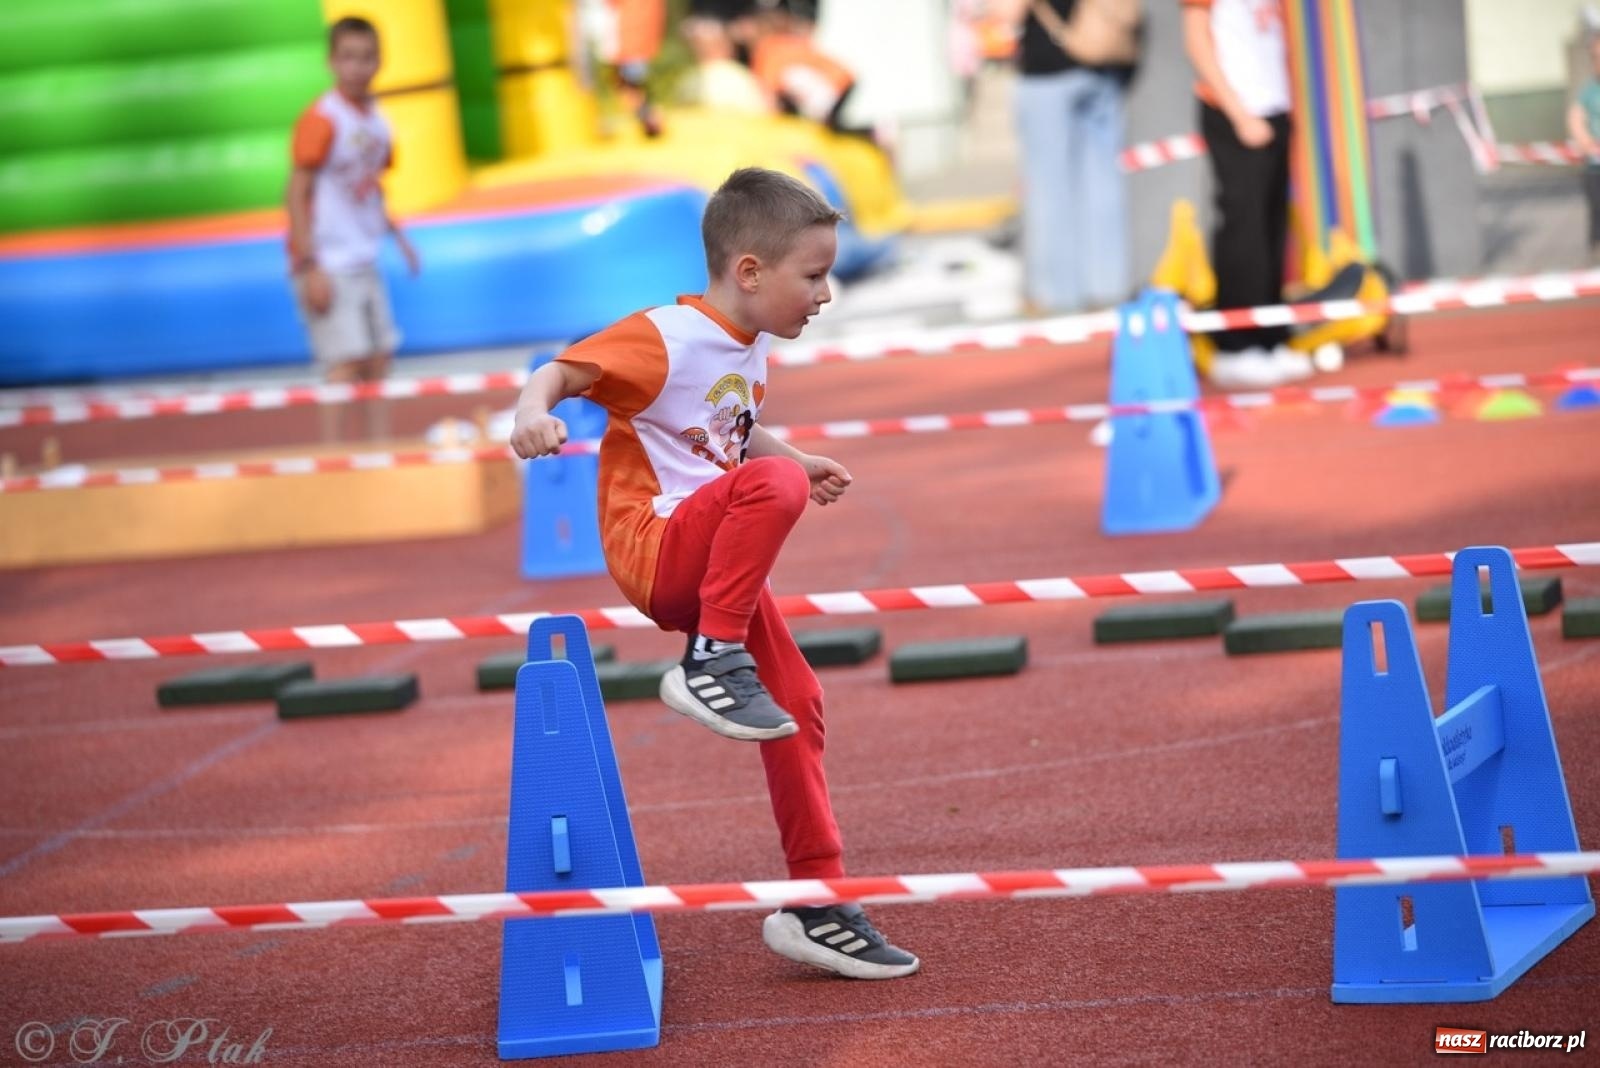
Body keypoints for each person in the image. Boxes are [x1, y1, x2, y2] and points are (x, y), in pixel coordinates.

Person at [508, 167, 920, 981]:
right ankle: (707, 662)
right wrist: (530, 412)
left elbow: (728, 429)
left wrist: (795, 458)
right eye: (814, 275)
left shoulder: (751, 349)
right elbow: (560, 372)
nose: (827, 294)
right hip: (657, 548)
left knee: (797, 702)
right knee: (773, 489)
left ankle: (817, 900)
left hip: (712, 556)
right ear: (749, 272)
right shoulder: (667, 334)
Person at [286, 16, 420, 442]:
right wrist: (309, 265)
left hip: (364, 257)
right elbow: (296, 189)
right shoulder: (322, 118)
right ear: (331, 61)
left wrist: (398, 236)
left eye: (366, 58)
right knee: (344, 364)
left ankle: (378, 448)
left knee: (379, 359)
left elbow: (371, 184)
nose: (357, 67)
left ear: (379, 61)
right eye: (347, 57)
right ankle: (335, 457)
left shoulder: (379, 121)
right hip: (328, 259)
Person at [1181, 0, 1313, 389]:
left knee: (1273, 228)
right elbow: (1196, 38)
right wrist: (1239, 113)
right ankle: (1236, 346)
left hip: (1274, 105)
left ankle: (1271, 336)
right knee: (1244, 228)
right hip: (1233, 109)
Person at [1006, 0, 1139, 316]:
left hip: (1047, 71)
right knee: (1103, 184)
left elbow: (1006, 11)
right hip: (1101, 64)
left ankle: (1059, 293)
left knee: (1050, 188)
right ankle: (1108, 286)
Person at [1569, 31, 1600, 266]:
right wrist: (1588, 143)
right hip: (1595, 167)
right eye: (1595, 57)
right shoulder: (1589, 90)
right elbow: (1576, 118)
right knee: (1597, 210)